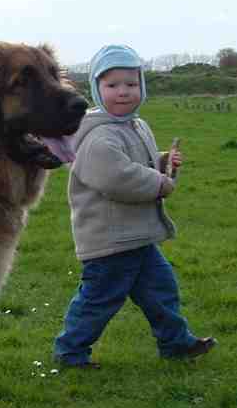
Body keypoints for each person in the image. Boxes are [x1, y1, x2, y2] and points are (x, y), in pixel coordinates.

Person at [53, 44, 216, 368]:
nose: (123, 91)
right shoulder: (99, 137)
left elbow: (138, 163)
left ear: (141, 85)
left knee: (161, 290)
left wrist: (163, 162)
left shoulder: (134, 125)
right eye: (112, 84)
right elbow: (118, 178)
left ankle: (176, 344)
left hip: (136, 236)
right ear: (97, 89)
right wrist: (160, 183)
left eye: (131, 83)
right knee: (99, 301)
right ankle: (70, 352)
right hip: (110, 240)